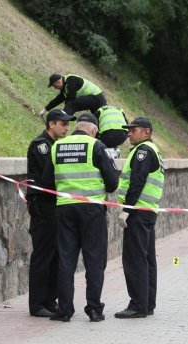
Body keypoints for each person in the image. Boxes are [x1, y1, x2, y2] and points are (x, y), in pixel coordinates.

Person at [44, 112, 119, 322]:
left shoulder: (57, 146)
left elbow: (47, 180)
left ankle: (64, 310)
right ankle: (94, 309)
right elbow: (112, 182)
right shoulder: (97, 146)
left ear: (77, 126)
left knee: (66, 260)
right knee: (94, 260)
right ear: (94, 130)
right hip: (92, 209)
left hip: (64, 208)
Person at [114, 117, 164, 319]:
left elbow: (137, 181)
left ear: (147, 132)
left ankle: (138, 305)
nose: (128, 133)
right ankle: (147, 303)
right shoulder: (153, 150)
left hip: (138, 212)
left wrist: (127, 209)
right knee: (147, 259)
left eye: (133, 130)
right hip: (147, 211)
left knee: (135, 260)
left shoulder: (143, 151)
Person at [25, 109, 73, 317]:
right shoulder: (41, 145)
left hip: (55, 206)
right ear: (51, 124)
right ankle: (37, 305)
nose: (66, 128)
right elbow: (50, 175)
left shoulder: (55, 146)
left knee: (55, 255)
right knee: (43, 256)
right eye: (63, 124)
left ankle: (49, 300)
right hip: (43, 207)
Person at [38, 73, 107, 117]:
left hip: (96, 98)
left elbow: (71, 97)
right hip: (97, 99)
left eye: (54, 86)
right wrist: (45, 109)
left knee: (71, 104)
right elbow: (58, 99)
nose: (55, 88)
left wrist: (64, 111)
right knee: (96, 120)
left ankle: (61, 122)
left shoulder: (71, 80)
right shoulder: (65, 87)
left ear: (58, 82)